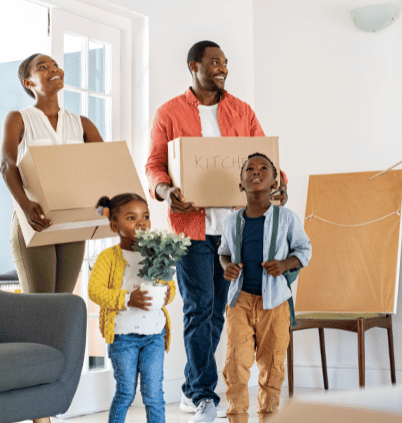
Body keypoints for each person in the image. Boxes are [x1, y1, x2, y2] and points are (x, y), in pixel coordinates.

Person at [145, 40, 287, 423]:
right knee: (198, 308)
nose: (222, 68)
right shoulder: (169, 113)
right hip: (192, 229)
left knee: (219, 314)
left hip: (236, 231)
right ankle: (205, 396)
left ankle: (192, 388)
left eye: (225, 62)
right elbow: (154, 165)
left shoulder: (242, 110)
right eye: (214, 62)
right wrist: (165, 191)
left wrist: (281, 181)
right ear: (194, 66)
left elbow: (266, 157)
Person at [0, 53, 104, 423]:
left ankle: (47, 400)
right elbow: (7, 164)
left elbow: (104, 168)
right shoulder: (20, 119)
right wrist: (25, 204)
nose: (53, 70)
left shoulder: (82, 123)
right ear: (29, 82)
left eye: (56, 65)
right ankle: (37, 410)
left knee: (60, 313)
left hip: (72, 228)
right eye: (42, 67)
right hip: (35, 223)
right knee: (40, 312)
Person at [218, 153, 311, 423]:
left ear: (275, 183)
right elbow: (223, 252)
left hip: (275, 303)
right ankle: (237, 416)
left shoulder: (286, 218)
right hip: (240, 301)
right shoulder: (232, 221)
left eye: (263, 169)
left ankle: (268, 417)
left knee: (272, 364)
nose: (256, 172)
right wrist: (227, 266)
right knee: (235, 363)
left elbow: (305, 249)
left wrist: (284, 264)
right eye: (249, 169)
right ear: (241, 182)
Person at [88, 193, 175, 423]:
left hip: (154, 336)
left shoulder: (156, 254)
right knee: (126, 392)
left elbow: (170, 285)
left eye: (145, 216)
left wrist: (167, 294)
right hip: (123, 337)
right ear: (115, 226)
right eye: (131, 217)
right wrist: (127, 299)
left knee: (154, 394)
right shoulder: (108, 258)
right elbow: (95, 291)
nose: (141, 222)